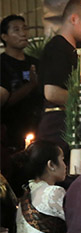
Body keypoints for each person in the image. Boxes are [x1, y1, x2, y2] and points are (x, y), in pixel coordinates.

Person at [37, 0, 81, 155]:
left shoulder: (76, 51)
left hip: (72, 126)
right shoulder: (57, 48)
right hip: (58, 129)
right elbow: (51, 92)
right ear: (74, 19)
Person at [1, 15, 43, 154]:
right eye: (16, 30)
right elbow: (5, 102)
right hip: (11, 137)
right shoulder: (2, 64)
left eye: (25, 29)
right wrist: (31, 85)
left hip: (39, 131)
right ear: (4, 36)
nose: (23, 33)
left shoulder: (35, 63)